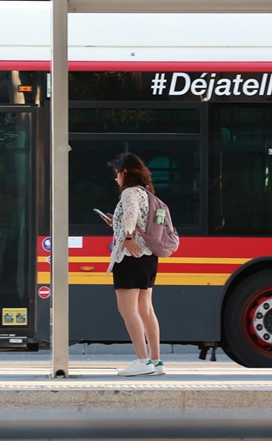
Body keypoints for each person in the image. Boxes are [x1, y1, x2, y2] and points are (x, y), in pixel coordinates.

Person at [106, 152, 165, 377]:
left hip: (130, 257)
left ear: (125, 172)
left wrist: (128, 238)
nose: (116, 179)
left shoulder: (130, 193)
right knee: (146, 309)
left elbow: (131, 216)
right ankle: (156, 362)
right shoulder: (148, 193)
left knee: (127, 309)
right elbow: (140, 220)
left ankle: (142, 360)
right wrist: (116, 223)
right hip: (149, 257)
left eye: (117, 174)